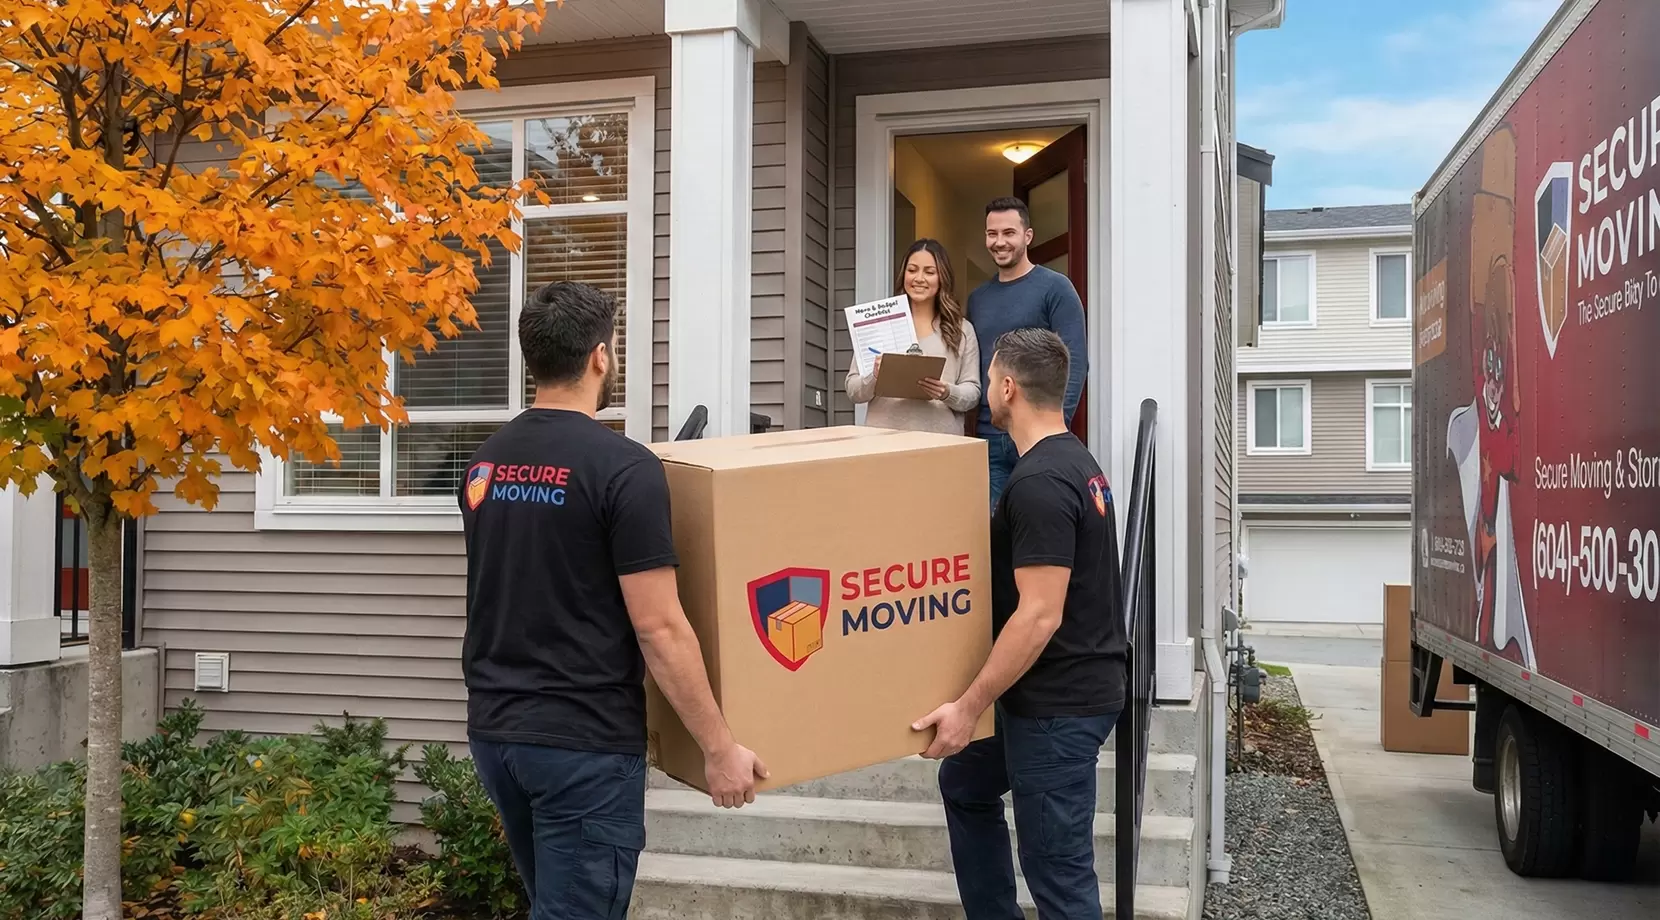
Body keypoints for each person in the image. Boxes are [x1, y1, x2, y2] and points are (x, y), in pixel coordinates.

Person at [458, 280, 767, 919]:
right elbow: (659, 627)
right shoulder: (623, 468)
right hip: (582, 746)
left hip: (498, 735)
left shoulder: (486, 463)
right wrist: (718, 747)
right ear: (601, 356)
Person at [911, 327, 1125, 920]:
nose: (984, 392)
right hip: (1046, 694)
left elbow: (1039, 615)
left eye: (988, 381)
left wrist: (968, 703)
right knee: (966, 785)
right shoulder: (1076, 463)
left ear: (1008, 387)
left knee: (1058, 876)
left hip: (1059, 704)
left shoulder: (1038, 483)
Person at [967, 197, 1088, 507]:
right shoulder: (978, 299)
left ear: (1027, 236)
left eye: (1009, 233)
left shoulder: (1055, 288)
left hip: (1038, 436)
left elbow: (1075, 363)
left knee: (1039, 523)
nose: (999, 242)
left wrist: (1053, 427)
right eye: (992, 234)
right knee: (995, 535)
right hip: (990, 436)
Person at [846, 238, 981, 434]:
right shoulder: (880, 323)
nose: (919, 278)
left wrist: (946, 392)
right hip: (884, 442)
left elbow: (973, 392)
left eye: (929, 272)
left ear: (942, 277)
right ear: (903, 275)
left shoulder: (961, 330)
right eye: (912, 270)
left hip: (940, 444)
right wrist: (874, 376)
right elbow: (853, 390)